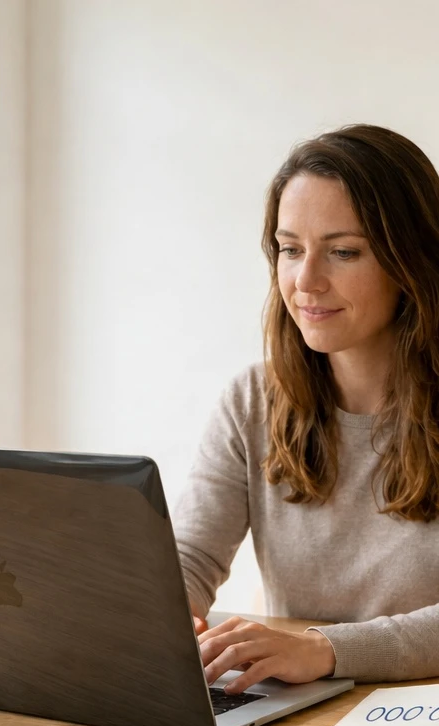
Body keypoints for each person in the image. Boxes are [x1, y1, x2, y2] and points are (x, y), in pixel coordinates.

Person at [173, 124, 439, 695]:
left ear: (411, 261)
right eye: (290, 249)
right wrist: (152, 614)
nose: (306, 281)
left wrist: (323, 649)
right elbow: (189, 558)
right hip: (301, 712)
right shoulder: (253, 399)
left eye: (344, 251)